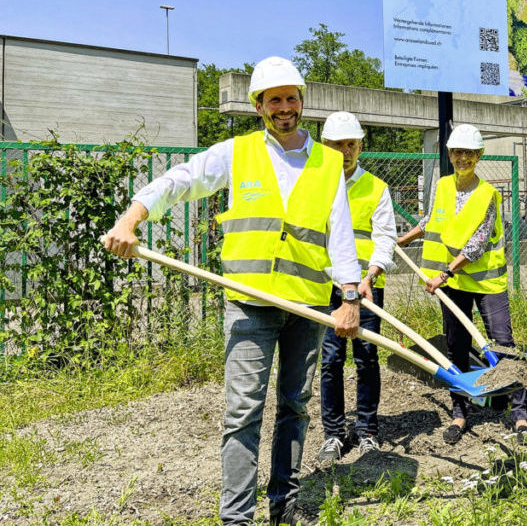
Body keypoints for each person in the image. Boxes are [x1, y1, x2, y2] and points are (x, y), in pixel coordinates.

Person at [102, 56, 366, 526]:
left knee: (294, 407)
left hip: (307, 305)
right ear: (259, 105)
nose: (284, 107)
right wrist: (132, 217)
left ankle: (285, 504)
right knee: (242, 413)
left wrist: (349, 299)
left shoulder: (327, 162)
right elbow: (180, 179)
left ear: (301, 102)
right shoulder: (237, 152)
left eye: (291, 98)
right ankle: (237, 518)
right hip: (248, 306)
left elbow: (340, 235)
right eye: (273, 100)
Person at [396, 124, 527, 445]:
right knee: (456, 348)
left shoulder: (487, 194)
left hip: (485, 283)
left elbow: (477, 243)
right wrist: (400, 240)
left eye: (469, 153)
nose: (462, 158)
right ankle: (460, 410)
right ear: (450, 155)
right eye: (457, 152)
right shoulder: (442, 186)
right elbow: (430, 220)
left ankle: (519, 413)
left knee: (502, 346)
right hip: (452, 286)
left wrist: (445, 273)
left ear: (479, 155)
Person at [317, 111, 397, 461]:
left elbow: (385, 238)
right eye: (336, 144)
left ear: (361, 146)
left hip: (365, 286)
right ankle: (333, 434)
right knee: (330, 360)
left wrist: (371, 276)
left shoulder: (376, 188)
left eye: (351, 144)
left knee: (366, 357)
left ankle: (366, 430)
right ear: (324, 146)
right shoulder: (312, 185)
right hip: (324, 284)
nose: (344, 150)